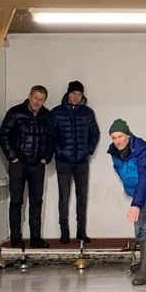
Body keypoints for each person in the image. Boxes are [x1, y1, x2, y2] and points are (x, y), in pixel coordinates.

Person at [108, 120, 146, 287]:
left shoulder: (142, 149)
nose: (117, 141)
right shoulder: (114, 151)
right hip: (140, 192)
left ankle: (145, 271)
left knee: (145, 225)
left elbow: (144, 176)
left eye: (120, 136)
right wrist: (131, 192)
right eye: (114, 137)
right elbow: (123, 172)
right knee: (138, 228)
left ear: (128, 135)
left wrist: (136, 204)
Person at [0, 84, 54, 250]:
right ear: (29, 96)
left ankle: (35, 239)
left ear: (44, 101)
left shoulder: (47, 116)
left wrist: (46, 157)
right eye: (35, 98)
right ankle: (16, 239)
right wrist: (12, 157)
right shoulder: (15, 112)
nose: (37, 102)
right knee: (16, 201)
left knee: (36, 202)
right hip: (18, 165)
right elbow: (3, 135)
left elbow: (52, 138)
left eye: (41, 99)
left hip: (37, 165)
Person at [50, 80, 101, 244]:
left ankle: (81, 232)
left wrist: (89, 150)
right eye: (73, 93)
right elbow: (50, 135)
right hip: (63, 161)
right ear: (68, 93)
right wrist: (57, 151)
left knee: (82, 197)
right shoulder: (56, 112)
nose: (76, 97)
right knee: (63, 197)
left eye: (79, 94)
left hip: (82, 162)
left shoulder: (88, 113)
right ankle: (64, 232)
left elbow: (95, 133)